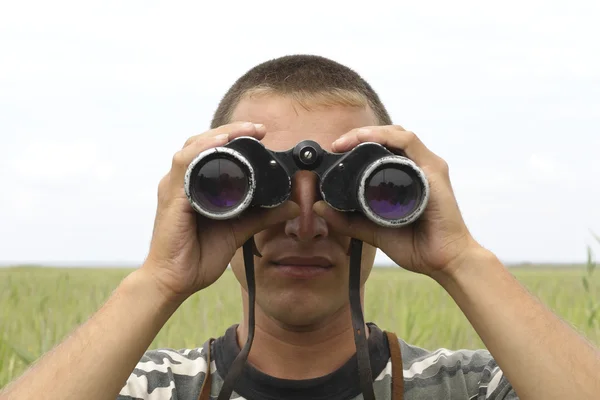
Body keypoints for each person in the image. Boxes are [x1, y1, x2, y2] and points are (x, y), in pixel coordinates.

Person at [1, 55, 599, 400]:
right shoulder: (143, 388)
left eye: (368, 187)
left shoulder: (469, 387)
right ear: (198, 200)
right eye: (252, 188)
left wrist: (461, 258)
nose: (306, 221)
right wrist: (159, 279)